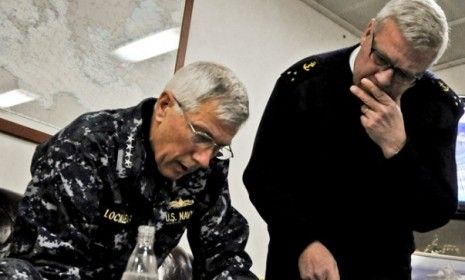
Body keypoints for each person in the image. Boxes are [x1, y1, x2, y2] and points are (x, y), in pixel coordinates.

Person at [243, 0, 464, 279]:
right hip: (301, 262)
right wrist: (303, 241)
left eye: (405, 75)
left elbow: (434, 212)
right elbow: (263, 177)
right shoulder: (304, 83)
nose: (384, 79)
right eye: (381, 58)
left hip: (383, 265)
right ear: (368, 31)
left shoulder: (437, 105)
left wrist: (398, 148)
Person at [0, 61, 258, 280]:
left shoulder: (206, 167)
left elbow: (224, 254)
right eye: (201, 135)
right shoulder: (86, 145)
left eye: (218, 147)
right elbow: (53, 266)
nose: (204, 159)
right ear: (165, 106)